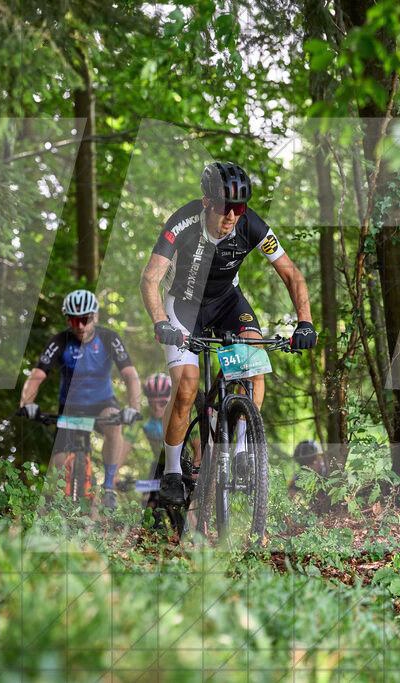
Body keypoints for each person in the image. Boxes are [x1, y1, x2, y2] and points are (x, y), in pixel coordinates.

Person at [139, 161, 317, 507]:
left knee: (254, 366)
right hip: (185, 308)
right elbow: (150, 278)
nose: (232, 217)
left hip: (227, 303)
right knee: (187, 387)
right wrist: (160, 321)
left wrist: (305, 322)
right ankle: (173, 472)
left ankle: (239, 451)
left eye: (239, 209)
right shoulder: (183, 223)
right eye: (225, 208)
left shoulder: (252, 226)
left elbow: (291, 274)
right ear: (207, 202)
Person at [16, 289, 142, 510]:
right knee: (58, 463)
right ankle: (58, 508)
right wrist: (27, 404)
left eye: (85, 319)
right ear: (68, 320)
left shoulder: (109, 338)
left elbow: (130, 375)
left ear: (95, 317)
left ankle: (109, 488)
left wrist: (133, 407)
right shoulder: (60, 340)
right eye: (74, 320)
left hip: (102, 403)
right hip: (70, 407)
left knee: (114, 423)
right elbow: (37, 376)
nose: (80, 326)